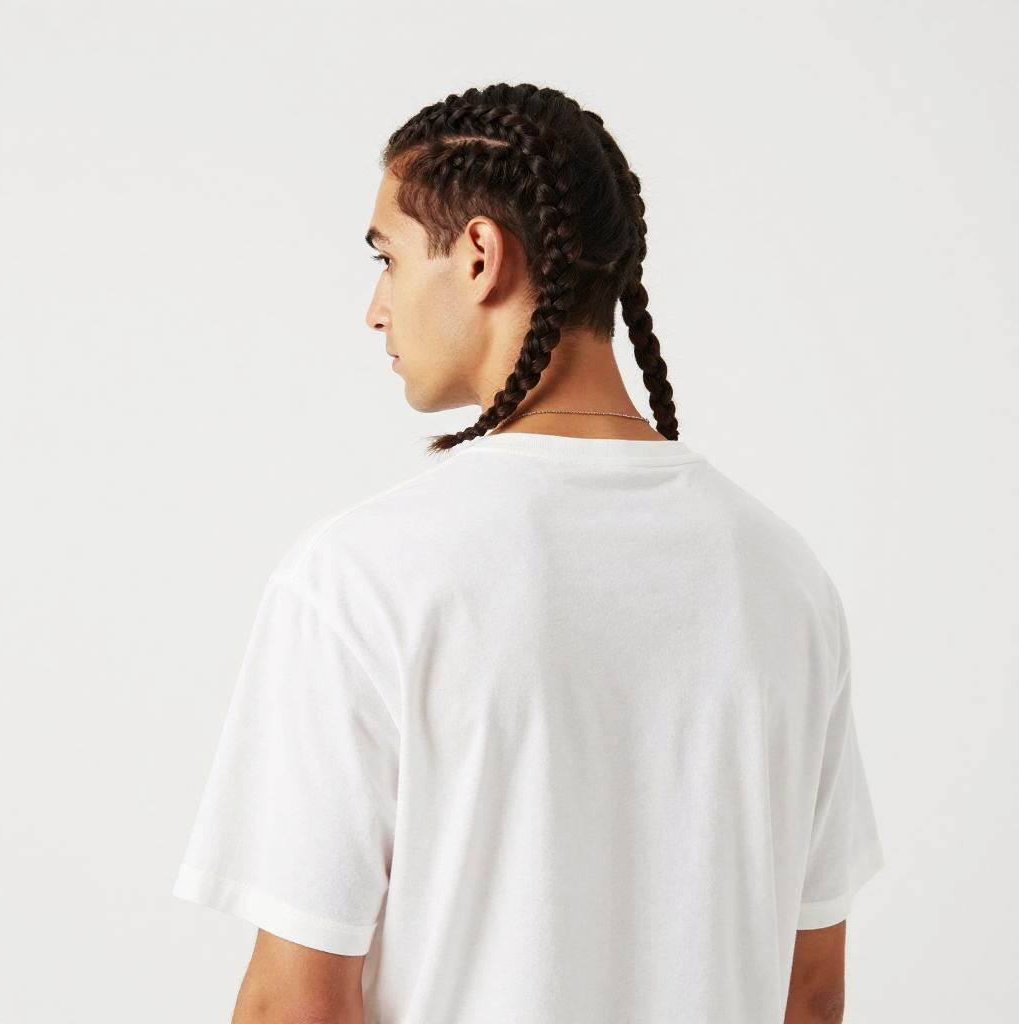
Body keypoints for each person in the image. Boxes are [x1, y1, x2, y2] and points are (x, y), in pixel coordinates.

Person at [171, 83, 885, 1023]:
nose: (376, 309)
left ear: (479, 255)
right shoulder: (783, 578)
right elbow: (812, 992)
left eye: (387, 258)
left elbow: (293, 1009)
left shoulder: (362, 577)